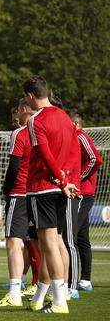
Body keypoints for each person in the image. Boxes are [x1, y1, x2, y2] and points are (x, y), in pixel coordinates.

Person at [23, 76, 80, 314]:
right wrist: (68, 180)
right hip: (59, 187)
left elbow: (45, 155)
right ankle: (42, 297)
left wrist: (62, 180)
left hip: (43, 187)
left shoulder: (36, 121)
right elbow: (72, 150)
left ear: (30, 96)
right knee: (54, 244)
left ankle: (59, 301)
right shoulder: (65, 117)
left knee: (49, 246)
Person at [0, 99, 36, 307]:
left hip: (20, 193)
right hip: (42, 192)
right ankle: (54, 291)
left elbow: (14, 166)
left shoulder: (20, 133)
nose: (16, 115)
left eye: (18, 110)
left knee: (13, 242)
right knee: (49, 243)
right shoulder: (47, 130)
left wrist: (6, 190)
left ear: (25, 109)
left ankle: (15, 292)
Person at [70, 111, 103, 293]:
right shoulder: (77, 137)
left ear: (75, 124)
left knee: (70, 236)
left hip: (83, 194)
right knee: (82, 238)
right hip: (82, 193)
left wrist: (78, 179)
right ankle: (85, 280)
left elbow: (95, 159)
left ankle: (71, 284)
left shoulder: (80, 136)